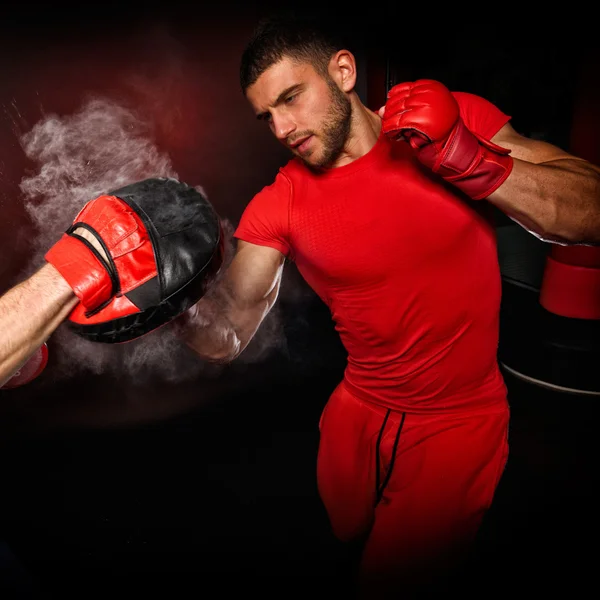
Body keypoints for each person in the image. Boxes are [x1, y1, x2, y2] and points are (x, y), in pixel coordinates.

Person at [175, 13, 600, 598]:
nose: (281, 127)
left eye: (291, 98)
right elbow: (225, 334)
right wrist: (169, 300)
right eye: (267, 115)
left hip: (459, 421)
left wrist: (469, 158)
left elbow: (590, 213)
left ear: (343, 71)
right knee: (342, 531)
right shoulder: (278, 205)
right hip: (356, 413)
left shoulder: (455, 121)